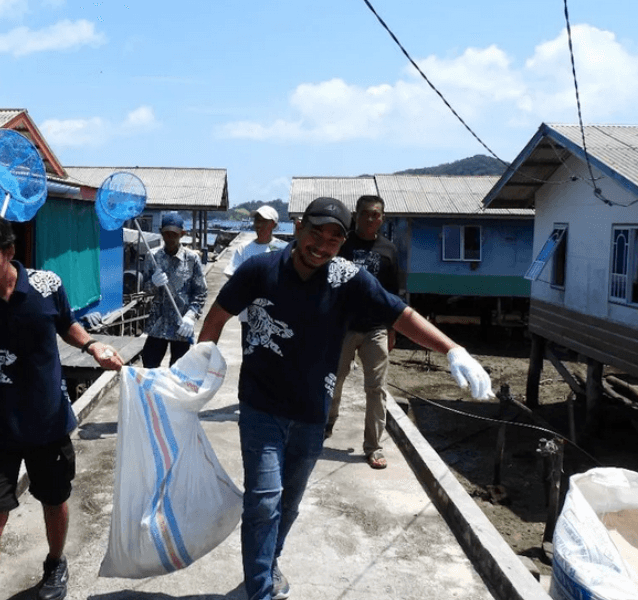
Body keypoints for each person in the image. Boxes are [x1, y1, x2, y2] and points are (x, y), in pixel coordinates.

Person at [197, 197, 493, 600]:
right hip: (260, 405)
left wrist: (452, 349)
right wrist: (197, 370)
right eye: (315, 234)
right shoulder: (258, 270)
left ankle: (269, 564)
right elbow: (216, 320)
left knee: (288, 505)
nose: (321, 245)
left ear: (342, 243)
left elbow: (399, 314)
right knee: (263, 502)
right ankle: (260, 591)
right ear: (298, 227)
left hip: (311, 412)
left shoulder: (346, 276)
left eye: (334, 239)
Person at [0, 210, 124, 600]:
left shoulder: (46, 285)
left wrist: (93, 345)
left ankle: (56, 562)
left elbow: (66, 324)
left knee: (54, 499)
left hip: (48, 419)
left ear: (8, 251)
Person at [326, 194, 401, 470]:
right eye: (366, 214)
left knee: (376, 389)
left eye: (376, 214)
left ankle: (373, 446)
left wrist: (393, 329)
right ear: (356, 216)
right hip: (343, 327)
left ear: (382, 218)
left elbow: (395, 293)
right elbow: (328, 284)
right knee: (333, 380)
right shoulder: (344, 245)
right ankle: (326, 424)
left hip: (376, 329)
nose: (371, 219)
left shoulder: (389, 250)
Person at [139, 211, 208, 368]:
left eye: (174, 234)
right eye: (166, 234)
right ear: (161, 233)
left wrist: (191, 316)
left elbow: (201, 292)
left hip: (181, 324)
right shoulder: (153, 257)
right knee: (149, 364)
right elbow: (146, 291)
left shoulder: (191, 259)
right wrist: (153, 284)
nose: (170, 239)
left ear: (182, 234)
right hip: (157, 324)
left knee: (179, 369)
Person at [224, 206, 288, 335]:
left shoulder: (283, 249)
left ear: (273, 225)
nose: (259, 224)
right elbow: (231, 274)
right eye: (257, 220)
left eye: (264, 221)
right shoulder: (244, 248)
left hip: (276, 315)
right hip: (248, 316)